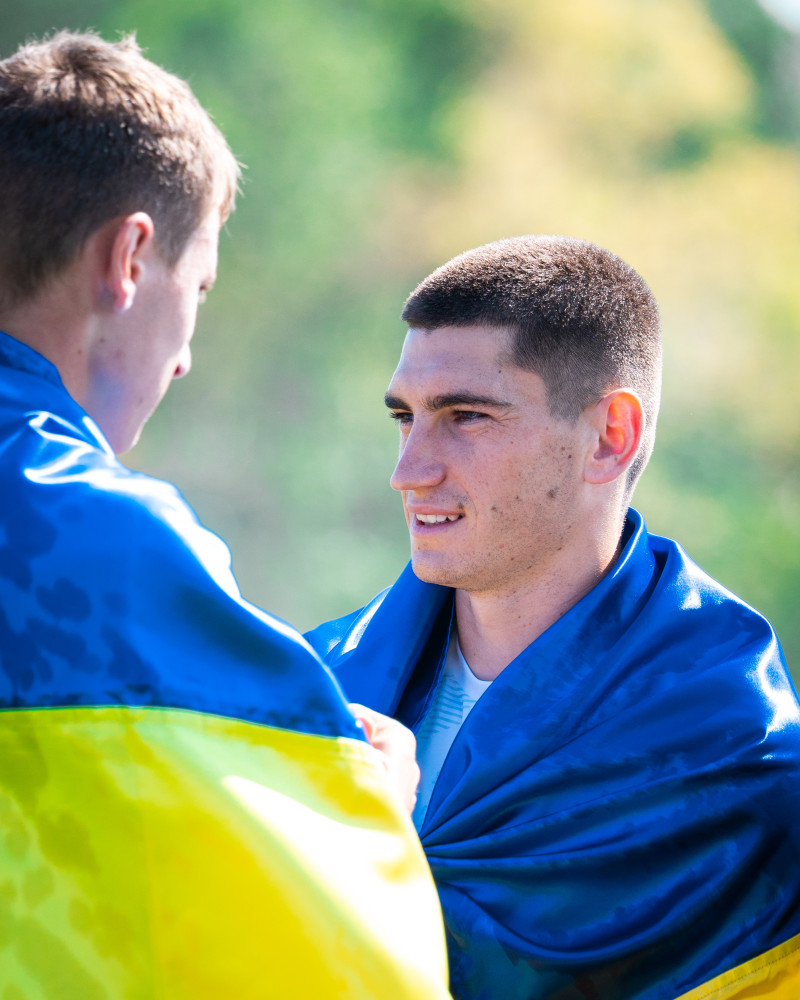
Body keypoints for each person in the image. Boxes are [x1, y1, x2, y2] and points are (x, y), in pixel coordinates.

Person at [0, 31, 450, 999]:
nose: (185, 357)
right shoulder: (105, 544)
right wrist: (367, 806)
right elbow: (327, 950)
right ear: (129, 257)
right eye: (197, 288)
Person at [307, 235, 800, 1000]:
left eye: (466, 416)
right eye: (405, 418)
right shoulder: (309, 691)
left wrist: (377, 855)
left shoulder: (743, 771)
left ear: (610, 437)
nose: (408, 471)